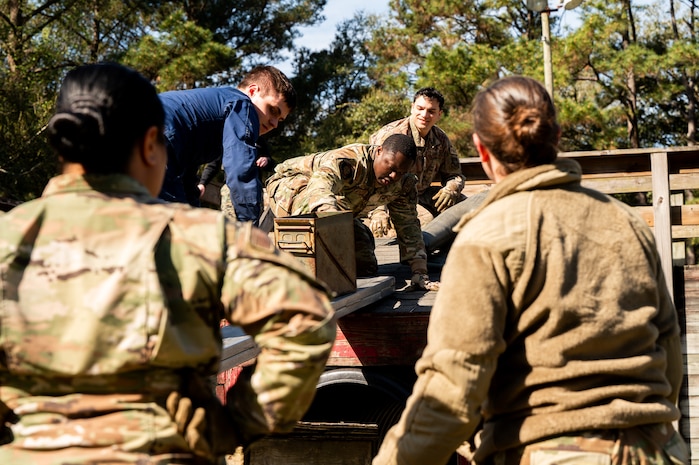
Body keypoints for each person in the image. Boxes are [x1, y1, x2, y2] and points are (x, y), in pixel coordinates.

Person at [0, 62, 336, 464]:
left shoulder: (12, 235)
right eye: (275, 114)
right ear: (149, 146)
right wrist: (235, 426)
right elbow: (308, 318)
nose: (275, 125)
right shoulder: (201, 234)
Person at [373, 76, 688, 465]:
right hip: (659, 449)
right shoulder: (627, 222)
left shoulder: (486, 235)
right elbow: (669, 351)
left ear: (481, 151)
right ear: (556, 136)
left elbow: (452, 392)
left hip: (555, 451)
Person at [265, 134, 435, 290]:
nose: (393, 176)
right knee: (325, 219)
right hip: (292, 186)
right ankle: (293, 267)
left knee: (364, 265)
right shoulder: (349, 161)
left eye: (400, 172)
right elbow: (321, 187)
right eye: (390, 167)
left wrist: (420, 272)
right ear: (378, 151)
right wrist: (333, 225)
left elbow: (409, 226)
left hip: (340, 210)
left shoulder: (403, 184)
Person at [158, 65, 295, 225]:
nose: (274, 124)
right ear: (252, 91)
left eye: (280, 119)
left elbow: (186, 177)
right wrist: (250, 228)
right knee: (174, 232)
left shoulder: (210, 111)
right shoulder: (242, 104)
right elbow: (240, 170)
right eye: (273, 110)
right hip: (153, 136)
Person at [367, 87, 466, 237]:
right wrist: (378, 212)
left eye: (431, 111)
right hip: (393, 197)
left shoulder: (441, 139)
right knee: (427, 222)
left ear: (439, 114)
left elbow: (454, 174)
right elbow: (373, 177)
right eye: (420, 108)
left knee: (467, 209)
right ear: (412, 108)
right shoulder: (392, 135)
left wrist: (451, 189)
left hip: (423, 194)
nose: (424, 115)